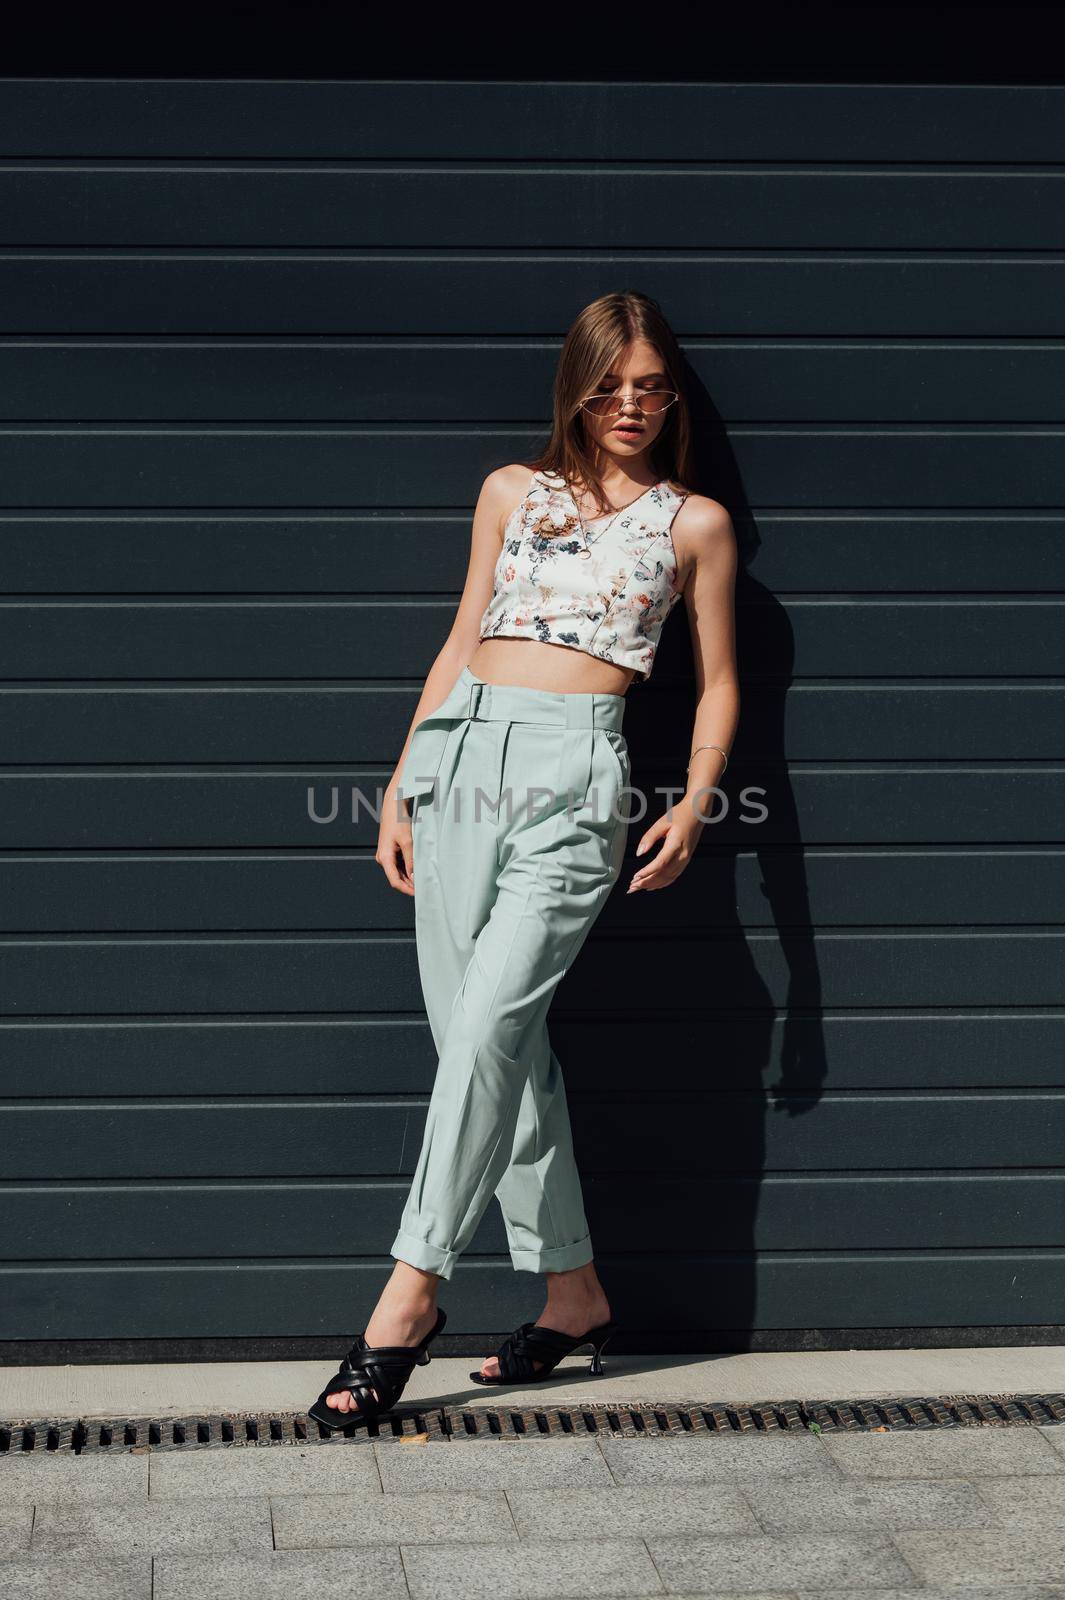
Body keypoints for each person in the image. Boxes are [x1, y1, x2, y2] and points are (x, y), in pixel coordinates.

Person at [308, 290, 739, 1428]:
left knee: (490, 1030)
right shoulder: (513, 490)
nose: (633, 404)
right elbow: (463, 634)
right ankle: (575, 1294)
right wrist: (402, 779)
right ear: (578, 389)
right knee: (492, 1048)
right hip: (462, 761)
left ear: (673, 396)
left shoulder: (691, 522)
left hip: (575, 779)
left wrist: (695, 803)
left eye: (652, 386)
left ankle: (408, 1297)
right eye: (612, 385)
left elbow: (722, 678)